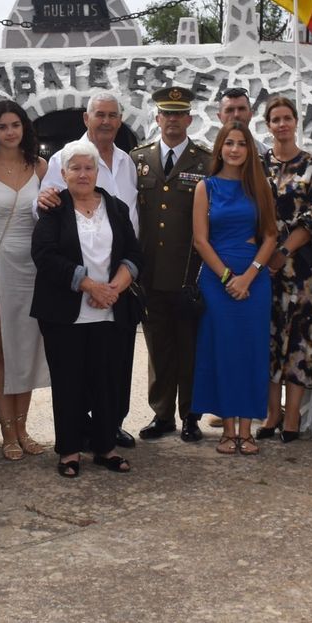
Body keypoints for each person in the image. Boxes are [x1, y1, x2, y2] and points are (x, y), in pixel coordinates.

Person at [30, 139, 143, 478]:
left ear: (97, 172)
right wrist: (88, 285)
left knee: (107, 381)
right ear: (62, 173)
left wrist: (113, 289)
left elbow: (134, 255)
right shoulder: (54, 208)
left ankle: (106, 448)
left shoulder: (117, 208)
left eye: (88, 167)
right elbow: (45, 255)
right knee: (69, 383)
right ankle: (69, 451)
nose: (82, 173)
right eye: (75, 168)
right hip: (66, 311)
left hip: (110, 310)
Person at [130, 86, 212, 443]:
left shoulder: (206, 162)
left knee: (189, 349)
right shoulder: (138, 160)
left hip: (189, 274)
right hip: (150, 274)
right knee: (158, 349)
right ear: (157, 118)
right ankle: (162, 415)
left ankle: (191, 415)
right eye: (167, 114)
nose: (173, 120)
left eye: (180, 114)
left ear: (189, 119)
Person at [190, 122, 278, 454]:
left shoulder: (260, 187)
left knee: (252, 352)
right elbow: (200, 240)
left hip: (255, 280)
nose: (235, 149)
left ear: (249, 150)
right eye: (229, 143)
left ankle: (247, 429)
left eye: (242, 143)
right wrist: (228, 278)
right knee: (223, 352)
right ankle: (228, 429)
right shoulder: (206, 187)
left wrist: (249, 275)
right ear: (220, 148)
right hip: (217, 281)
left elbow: (270, 235)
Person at [0, 100, 49, 461]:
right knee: (1, 348)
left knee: (27, 348)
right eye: (3, 126)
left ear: (25, 128)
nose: (11, 132)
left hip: (32, 267)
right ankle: (7, 434)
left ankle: (23, 426)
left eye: (16, 125)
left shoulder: (41, 167)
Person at [258, 96, 312, 443]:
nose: (282, 124)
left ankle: (293, 418)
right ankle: (272, 414)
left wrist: (282, 250)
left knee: (301, 340)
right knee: (269, 339)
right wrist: (266, 255)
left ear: (295, 122)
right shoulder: (257, 164)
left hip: (301, 268)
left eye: (287, 118)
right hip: (264, 269)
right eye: (275, 119)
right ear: (268, 125)